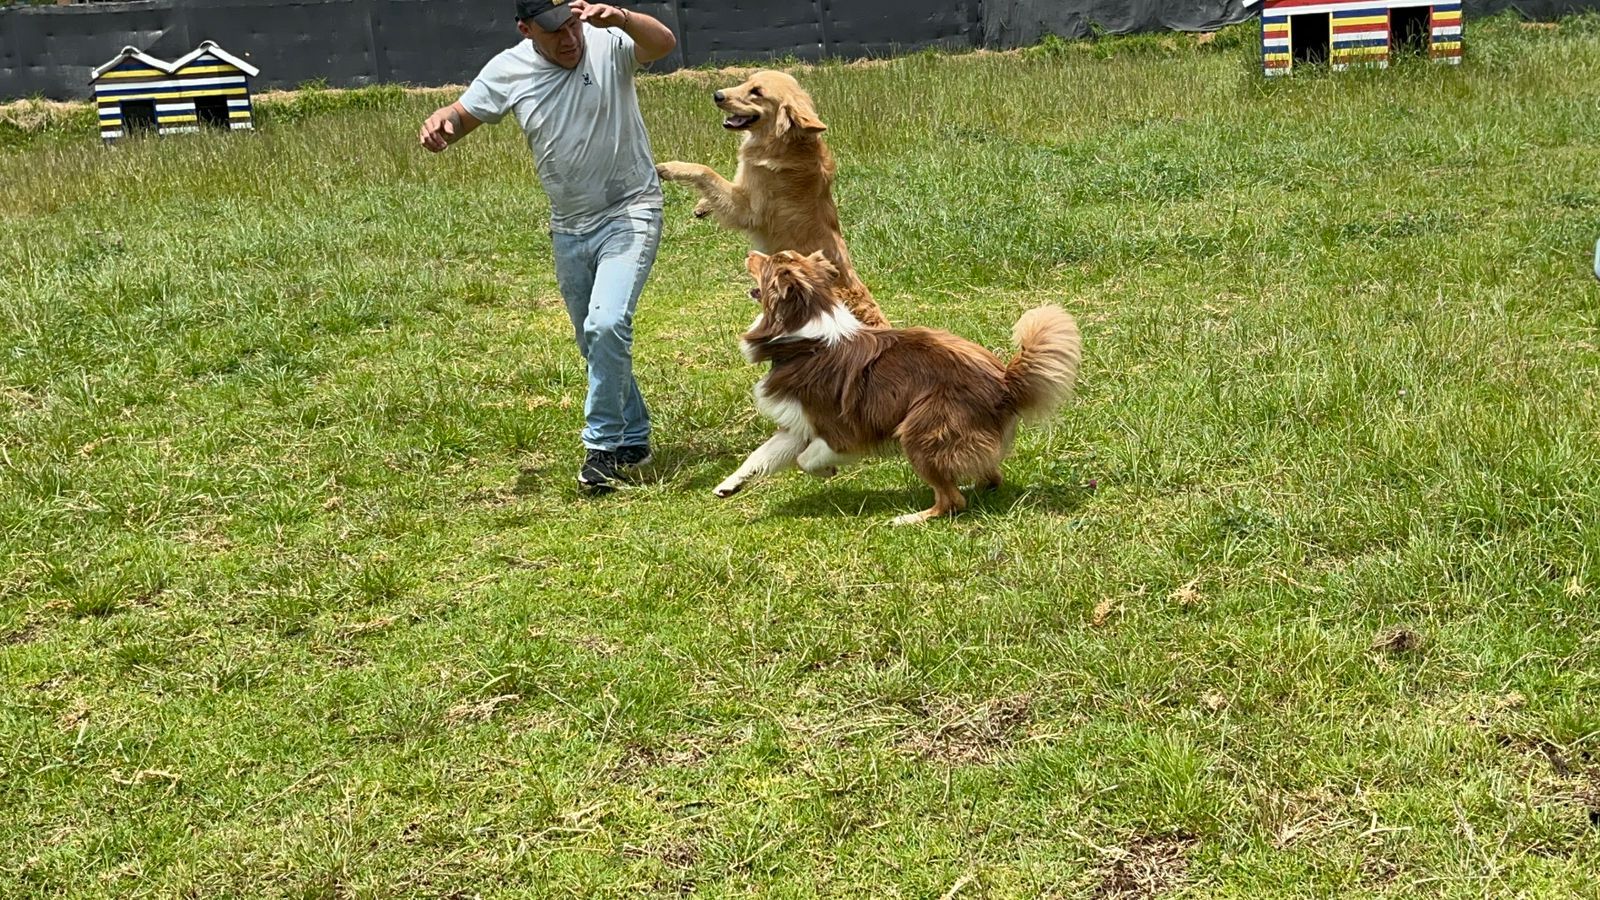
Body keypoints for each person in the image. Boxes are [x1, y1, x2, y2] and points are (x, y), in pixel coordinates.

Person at [419, 0, 677, 494]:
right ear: (525, 29)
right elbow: (463, 113)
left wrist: (621, 18)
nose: (569, 39)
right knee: (592, 339)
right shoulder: (509, 69)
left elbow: (663, 44)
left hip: (630, 210)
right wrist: (442, 125)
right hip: (569, 227)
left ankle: (601, 449)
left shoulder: (609, 41)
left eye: (572, 24)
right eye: (553, 31)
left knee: (607, 323)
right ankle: (636, 436)